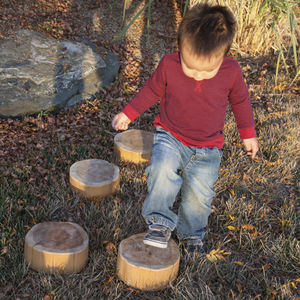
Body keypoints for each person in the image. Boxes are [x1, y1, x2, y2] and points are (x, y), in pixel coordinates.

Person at [111, 3, 258, 256]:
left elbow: (241, 102)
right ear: (179, 48)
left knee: (199, 195)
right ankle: (159, 222)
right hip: (171, 135)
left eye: (207, 70)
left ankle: (191, 234)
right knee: (161, 171)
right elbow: (151, 91)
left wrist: (248, 134)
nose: (198, 75)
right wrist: (128, 113)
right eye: (190, 67)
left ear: (224, 56)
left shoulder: (231, 72)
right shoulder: (169, 65)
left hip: (208, 147)